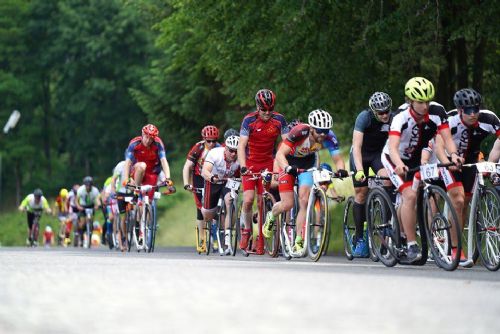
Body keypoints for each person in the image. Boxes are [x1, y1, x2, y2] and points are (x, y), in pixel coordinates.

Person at [381, 76, 463, 263]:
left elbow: (447, 138)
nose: (424, 106)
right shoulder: (400, 118)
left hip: (417, 159)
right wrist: (399, 164)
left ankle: (409, 230)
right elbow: (392, 148)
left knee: (419, 191)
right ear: (410, 101)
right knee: (409, 195)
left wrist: (454, 154)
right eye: (420, 102)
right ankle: (411, 244)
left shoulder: (437, 112)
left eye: (427, 101)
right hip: (394, 158)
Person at [263, 109, 348, 256]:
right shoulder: (299, 132)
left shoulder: (329, 137)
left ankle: (299, 239)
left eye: (325, 131)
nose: (323, 135)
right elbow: (280, 154)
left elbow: (338, 159)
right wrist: (287, 168)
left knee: (304, 200)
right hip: (288, 161)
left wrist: (341, 170)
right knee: (287, 204)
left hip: (308, 164)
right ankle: (271, 215)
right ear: (311, 129)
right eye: (320, 131)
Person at [433, 88, 500, 262]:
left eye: (476, 109)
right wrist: (448, 162)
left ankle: (453, 241)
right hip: (449, 160)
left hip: (471, 160)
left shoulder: (489, 119)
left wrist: (491, 163)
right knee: (458, 200)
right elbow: (438, 146)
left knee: (464, 204)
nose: (473, 114)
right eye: (469, 111)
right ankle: (455, 250)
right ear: (460, 110)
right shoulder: (450, 119)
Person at [238, 89, 288, 254]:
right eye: (264, 110)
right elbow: (241, 145)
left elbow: (287, 142)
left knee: (261, 202)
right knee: (248, 200)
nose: (267, 113)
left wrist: (282, 163)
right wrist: (243, 166)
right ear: (257, 107)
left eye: (270, 110)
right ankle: (246, 230)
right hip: (250, 164)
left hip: (268, 163)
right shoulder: (249, 120)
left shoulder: (279, 120)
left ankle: (261, 237)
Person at [349, 92, 394, 257]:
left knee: (388, 179)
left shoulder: (393, 118)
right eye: (380, 112)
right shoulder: (364, 118)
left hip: (378, 155)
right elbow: (357, 146)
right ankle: (360, 238)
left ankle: (386, 225)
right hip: (360, 155)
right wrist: (360, 170)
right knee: (361, 192)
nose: (384, 115)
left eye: (386, 111)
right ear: (374, 111)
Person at [122, 124, 173, 245]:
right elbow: (127, 163)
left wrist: (168, 178)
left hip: (152, 174)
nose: (148, 140)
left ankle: (145, 228)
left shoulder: (158, 144)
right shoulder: (134, 143)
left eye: (151, 138)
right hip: (138, 171)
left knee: (147, 203)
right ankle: (136, 192)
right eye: (147, 137)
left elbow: (164, 161)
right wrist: (125, 179)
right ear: (142, 134)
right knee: (141, 165)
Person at [199, 135, 241, 254]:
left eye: (236, 151)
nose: (233, 154)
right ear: (225, 148)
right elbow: (204, 171)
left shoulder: (240, 158)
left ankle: (227, 239)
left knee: (230, 200)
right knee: (208, 214)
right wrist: (212, 177)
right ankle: (214, 217)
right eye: (231, 151)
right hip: (214, 181)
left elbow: (245, 170)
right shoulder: (215, 153)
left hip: (229, 182)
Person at [183, 125, 221, 250]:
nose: (211, 143)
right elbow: (187, 166)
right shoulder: (198, 147)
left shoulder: (219, 148)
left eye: (214, 141)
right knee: (200, 209)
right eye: (208, 141)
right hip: (199, 177)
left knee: (215, 208)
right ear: (204, 139)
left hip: (213, 177)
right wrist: (186, 183)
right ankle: (202, 239)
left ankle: (215, 238)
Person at [76, 176, 101, 248]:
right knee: (82, 223)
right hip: (83, 206)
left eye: (89, 186)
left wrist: (98, 205)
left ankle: (90, 229)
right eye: (87, 185)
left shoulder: (95, 190)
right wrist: (78, 206)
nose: (88, 187)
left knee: (90, 220)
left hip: (91, 206)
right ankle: (81, 237)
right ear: (84, 185)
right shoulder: (80, 190)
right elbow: (76, 200)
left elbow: (97, 199)